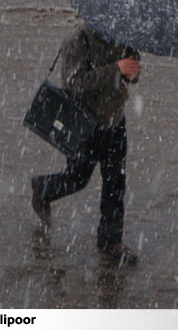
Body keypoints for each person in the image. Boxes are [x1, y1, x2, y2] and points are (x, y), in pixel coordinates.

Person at [30, 18, 141, 265]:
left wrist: (132, 70)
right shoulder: (77, 39)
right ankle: (43, 188)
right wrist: (116, 69)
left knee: (116, 184)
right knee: (77, 178)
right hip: (85, 126)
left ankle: (111, 241)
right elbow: (74, 84)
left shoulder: (124, 35)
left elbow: (130, 77)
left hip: (115, 121)